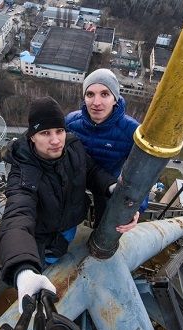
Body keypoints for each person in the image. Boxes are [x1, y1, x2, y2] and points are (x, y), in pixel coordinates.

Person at [0, 96, 138, 312]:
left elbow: (91, 170)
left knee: (63, 248)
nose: (55, 140)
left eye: (59, 131)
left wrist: (112, 188)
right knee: (49, 261)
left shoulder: (73, 146)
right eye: (45, 133)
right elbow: (17, 216)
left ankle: (56, 258)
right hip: (43, 236)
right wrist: (23, 270)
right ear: (32, 137)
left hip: (70, 223)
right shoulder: (24, 173)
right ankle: (45, 268)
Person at [65, 68, 147, 226]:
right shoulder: (71, 122)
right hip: (77, 179)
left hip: (110, 186)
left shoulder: (132, 131)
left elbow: (143, 172)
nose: (96, 102)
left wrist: (136, 208)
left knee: (105, 224)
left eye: (104, 94)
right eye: (90, 94)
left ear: (115, 98)